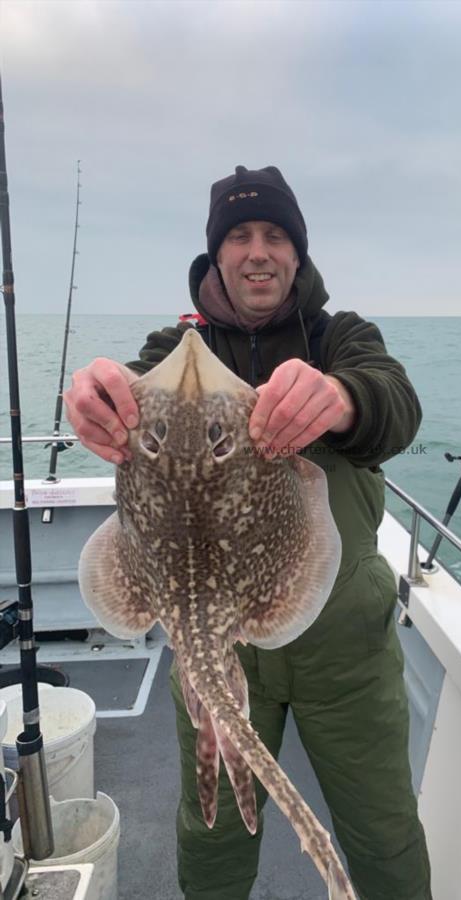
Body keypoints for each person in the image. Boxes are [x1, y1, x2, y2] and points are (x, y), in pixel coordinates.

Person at [64, 165, 432, 900]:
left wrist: (339, 397)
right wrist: (93, 399)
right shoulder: (171, 350)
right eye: (240, 236)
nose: (258, 251)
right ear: (216, 255)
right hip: (205, 629)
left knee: (381, 829)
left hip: (343, 646)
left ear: (297, 254)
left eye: (274, 235)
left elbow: (395, 404)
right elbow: (122, 390)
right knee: (212, 826)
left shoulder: (341, 337)